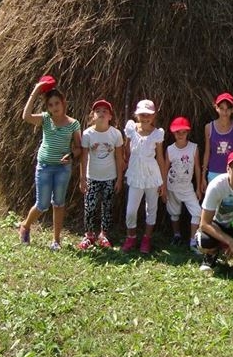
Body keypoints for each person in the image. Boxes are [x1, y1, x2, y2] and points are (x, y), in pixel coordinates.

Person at [18, 76, 82, 250]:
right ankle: (25, 225)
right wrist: (36, 91)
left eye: (57, 103)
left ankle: (56, 240)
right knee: (42, 204)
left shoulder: (73, 124)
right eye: (51, 105)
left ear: (63, 103)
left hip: (62, 169)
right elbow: (26, 116)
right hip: (45, 167)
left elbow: (79, 147)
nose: (54, 108)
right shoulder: (46, 119)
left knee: (59, 203)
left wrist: (71, 155)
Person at [122, 99, 167, 255]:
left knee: (151, 208)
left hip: (151, 174)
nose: (145, 117)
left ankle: (147, 238)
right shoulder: (131, 129)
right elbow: (126, 149)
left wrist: (162, 182)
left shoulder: (157, 134)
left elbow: (160, 158)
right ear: (137, 115)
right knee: (131, 210)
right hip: (135, 172)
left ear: (154, 116)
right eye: (142, 114)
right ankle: (131, 236)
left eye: (148, 115)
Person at [77, 99, 124, 250]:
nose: (101, 114)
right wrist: (82, 178)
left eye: (105, 111)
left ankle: (104, 234)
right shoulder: (88, 134)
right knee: (89, 206)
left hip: (109, 178)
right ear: (93, 116)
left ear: (110, 116)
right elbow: (83, 157)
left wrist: (119, 179)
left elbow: (119, 158)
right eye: (98, 111)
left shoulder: (115, 134)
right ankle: (89, 234)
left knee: (107, 206)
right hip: (92, 177)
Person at [165, 116, 204, 253]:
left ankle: (193, 241)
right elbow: (165, 169)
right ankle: (177, 235)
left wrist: (199, 187)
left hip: (187, 187)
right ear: (173, 133)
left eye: (183, 132)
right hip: (172, 187)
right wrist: (163, 188)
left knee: (197, 212)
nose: (180, 135)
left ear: (188, 132)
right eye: (177, 132)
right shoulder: (170, 149)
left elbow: (198, 168)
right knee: (174, 212)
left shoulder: (193, 148)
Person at [201, 92, 233, 193]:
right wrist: (203, 176)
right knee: (214, 205)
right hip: (214, 172)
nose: (225, 112)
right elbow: (207, 152)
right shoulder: (209, 128)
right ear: (216, 108)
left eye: (228, 108)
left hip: (232, 173)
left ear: (232, 109)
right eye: (222, 108)